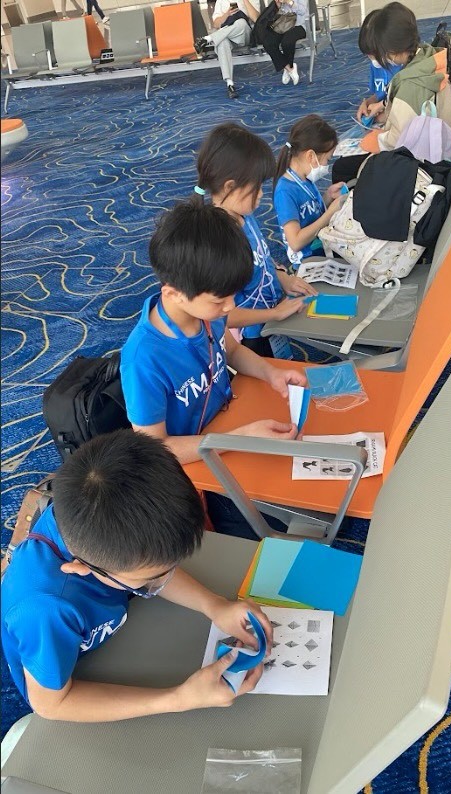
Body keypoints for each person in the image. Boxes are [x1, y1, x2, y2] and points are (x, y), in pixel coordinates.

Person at [1, 429, 272, 722]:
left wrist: (215, 605)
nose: (164, 579)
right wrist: (178, 699)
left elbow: (148, 567)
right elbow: (52, 704)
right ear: (81, 567)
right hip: (60, 668)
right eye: (150, 580)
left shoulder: (87, 519)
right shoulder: (46, 610)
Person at [120, 201, 306, 537]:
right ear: (174, 294)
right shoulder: (144, 359)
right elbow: (157, 448)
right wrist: (240, 439)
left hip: (226, 431)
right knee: (271, 524)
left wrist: (270, 373)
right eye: (220, 300)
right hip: (195, 468)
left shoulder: (207, 314)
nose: (231, 307)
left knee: (297, 477)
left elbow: (231, 350)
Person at [195, 123, 317, 357]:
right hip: (249, 336)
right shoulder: (220, 241)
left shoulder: (244, 214)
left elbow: (262, 256)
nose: (261, 194)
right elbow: (221, 314)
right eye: (256, 187)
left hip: (269, 318)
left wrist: (281, 277)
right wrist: (273, 314)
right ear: (230, 187)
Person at [332, 2, 451, 184]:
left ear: (392, 51)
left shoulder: (410, 85)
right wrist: (386, 109)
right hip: (437, 148)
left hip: (424, 166)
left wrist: (372, 141)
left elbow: (398, 139)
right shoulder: (425, 58)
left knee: (343, 168)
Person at [273, 114, 345, 268]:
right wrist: (330, 213)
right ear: (311, 156)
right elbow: (295, 242)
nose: (326, 166)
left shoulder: (305, 179)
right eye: (327, 159)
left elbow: (308, 213)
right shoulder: (285, 192)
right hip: (308, 262)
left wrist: (327, 197)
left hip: (321, 249)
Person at [195, 0, 259, 99]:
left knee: (241, 22)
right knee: (222, 42)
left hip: (244, 35)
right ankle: (230, 84)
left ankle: (208, 39)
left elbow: (256, 18)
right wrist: (227, 14)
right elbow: (216, 24)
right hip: (228, 37)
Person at [356, 9, 403, 124]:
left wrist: (380, 115)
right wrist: (368, 103)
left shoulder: (403, 66)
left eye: (377, 56)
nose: (374, 61)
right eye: (369, 56)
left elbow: (407, 104)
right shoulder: (375, 66)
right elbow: (380, 93)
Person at [256, 0, 308, 85]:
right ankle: (289, 68)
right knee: (268, 43)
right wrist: (278, 5)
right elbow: (276, 14)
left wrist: (289, 2)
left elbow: (303, 11)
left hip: (298, 26)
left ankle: (288, 67)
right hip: (282, 25)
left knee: (287, 42)